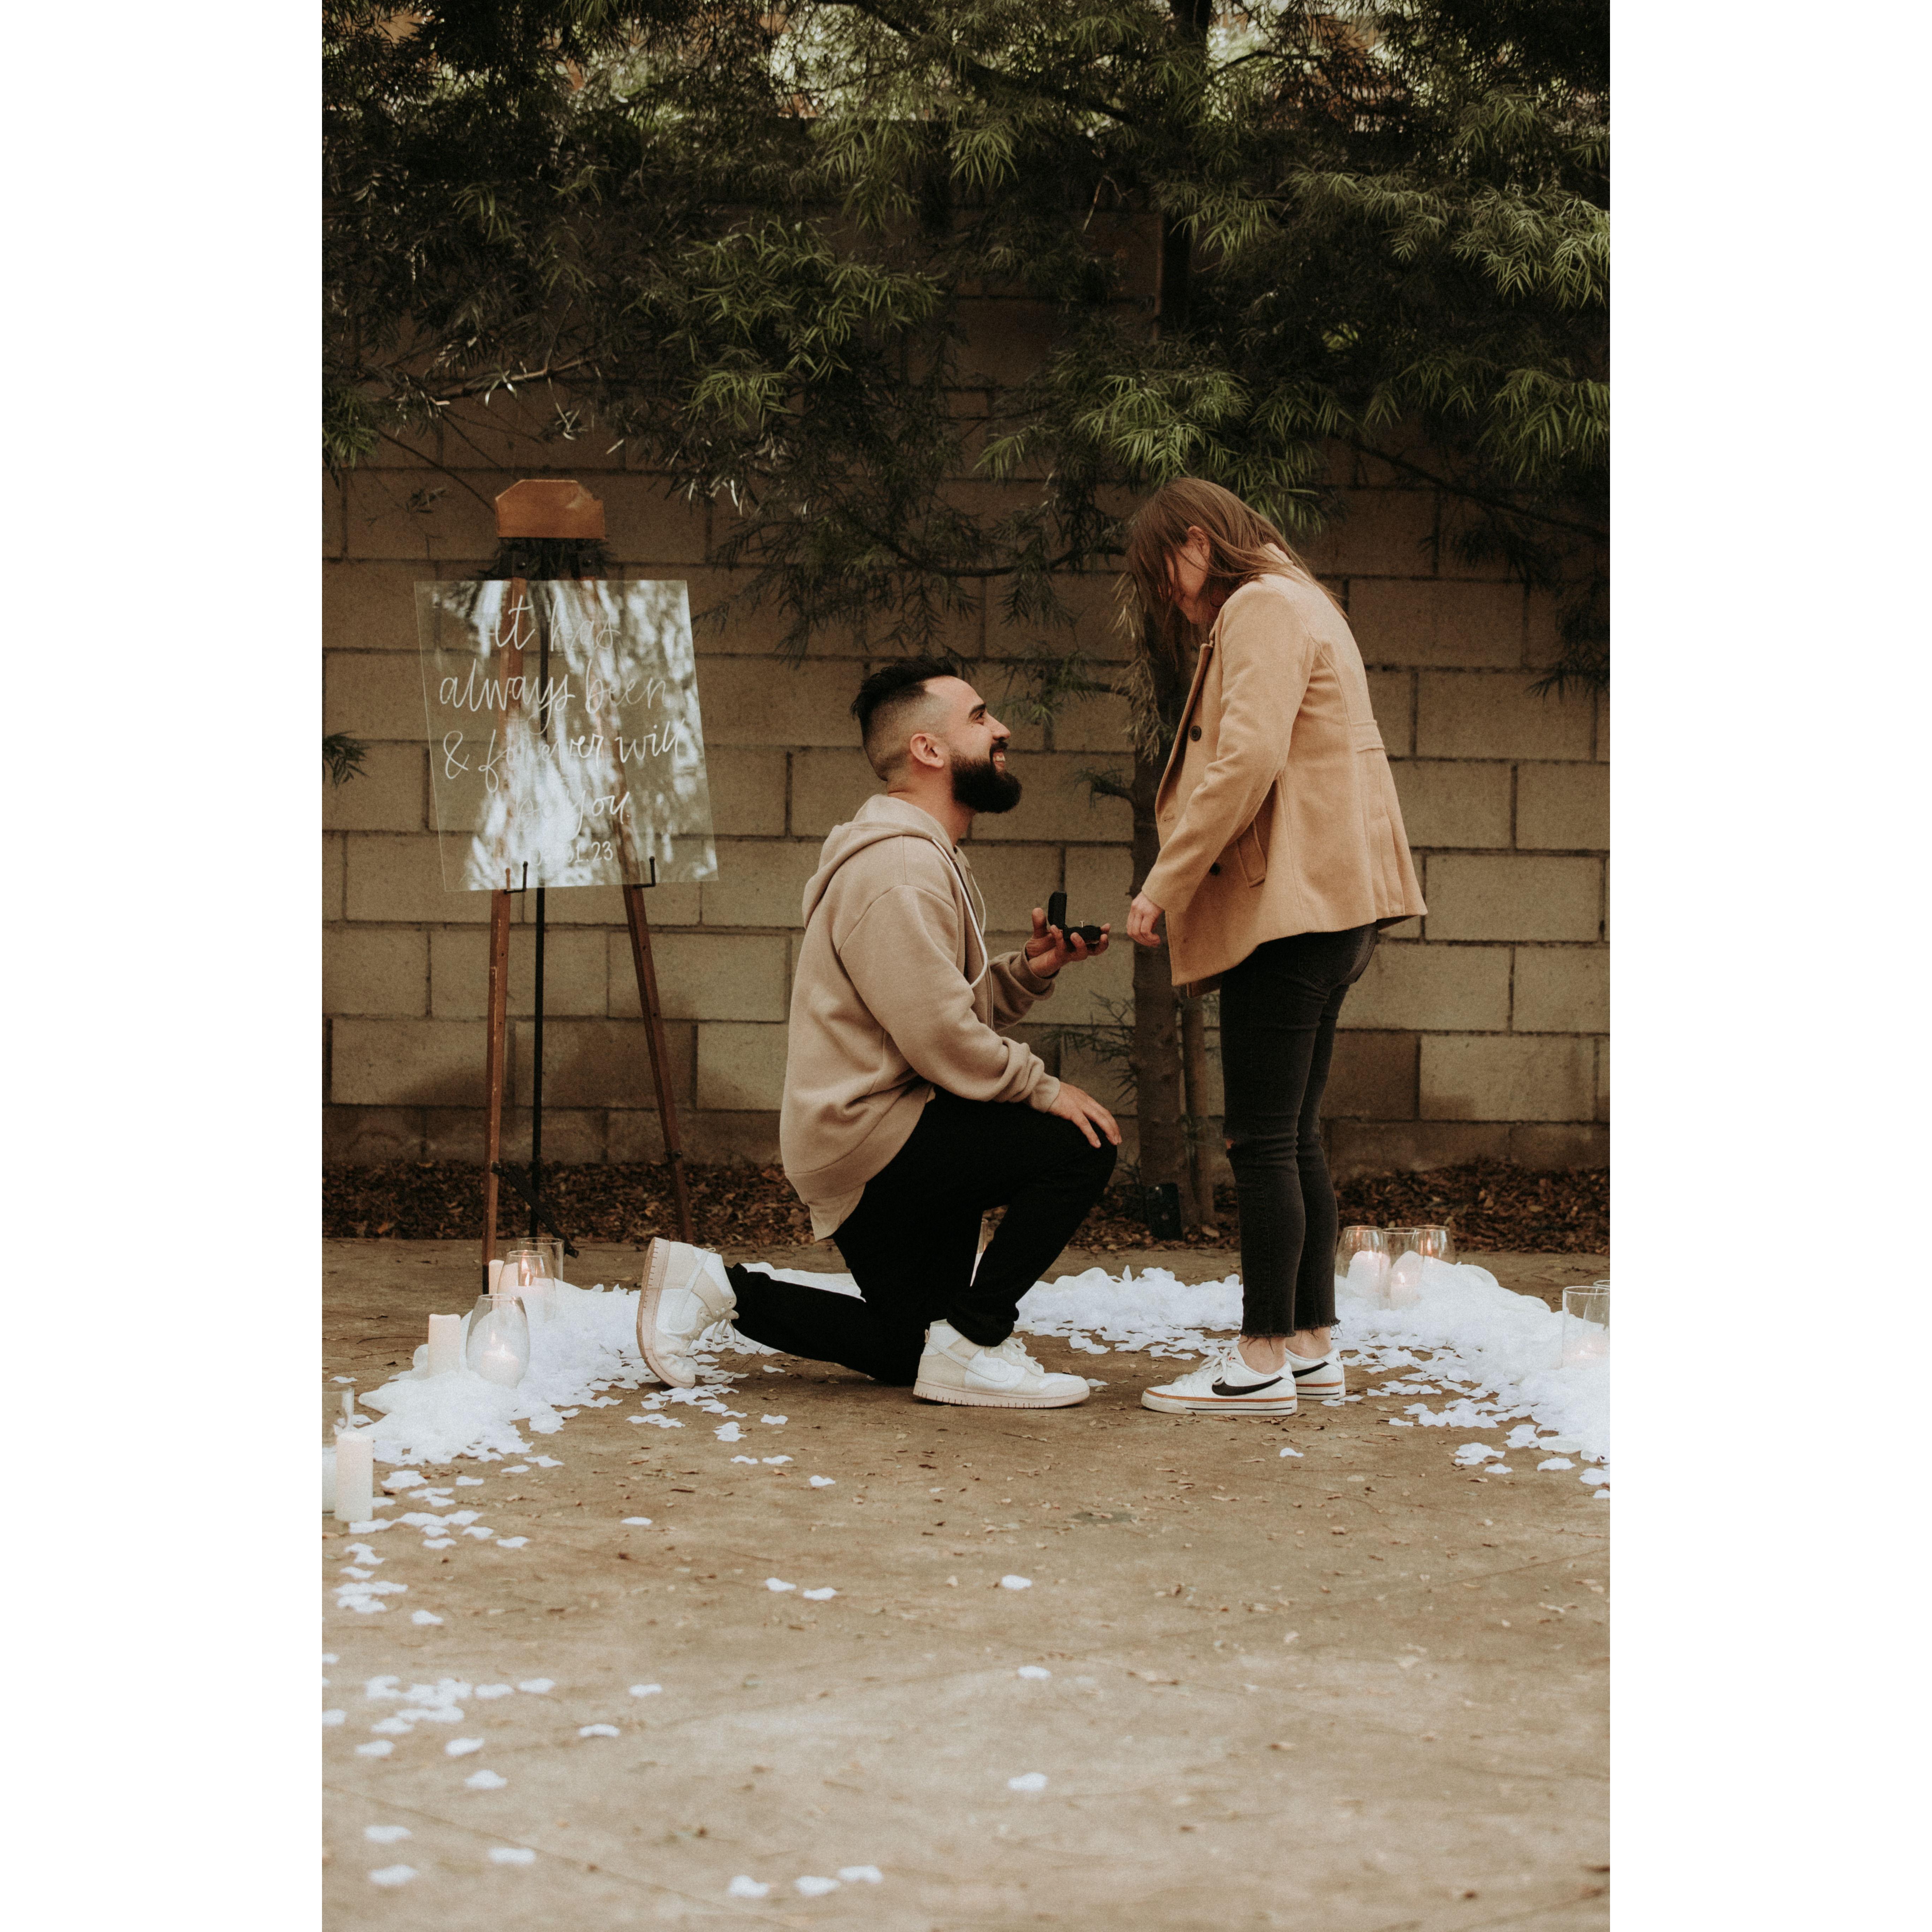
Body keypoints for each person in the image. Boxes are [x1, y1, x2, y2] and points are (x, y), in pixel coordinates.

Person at [635, 658, 1122, 1409]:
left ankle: (717, 1288)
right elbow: (939, 1035)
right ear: (928, 749)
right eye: (980, 717)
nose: (1002, 729)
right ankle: (977, 1340)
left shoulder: (919, 855)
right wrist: (1044, 1089)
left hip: (882, 1128)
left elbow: (933, 1011)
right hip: (875, 1132)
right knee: (1079, 1143)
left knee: (910, 1346)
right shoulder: (899, 866)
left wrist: (1028, 971)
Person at [1121, 479, 1426, 1418]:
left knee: (1260, 1140)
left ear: (1198, 543)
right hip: (1334, 906)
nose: (1166, 595)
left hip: (1290, 910)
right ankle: (1310, 1346)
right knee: (1292, 1136)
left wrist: (1165, 883)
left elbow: (1244, 760)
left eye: (1163, 573)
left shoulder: (1260, 607)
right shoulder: (1306, 600)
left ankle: (1258, 1361)